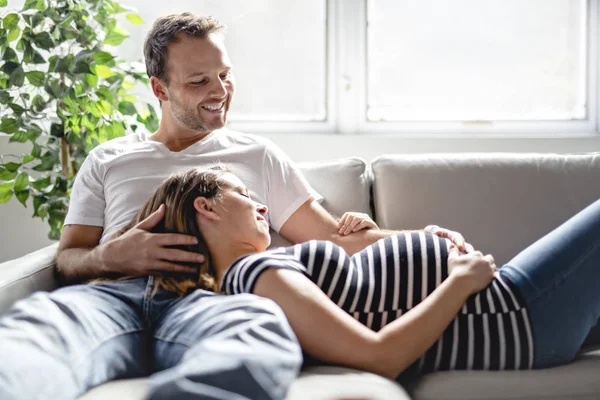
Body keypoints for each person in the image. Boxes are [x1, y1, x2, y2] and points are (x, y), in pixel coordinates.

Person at [0, 12, 468, 400]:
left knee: (255, 345)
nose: (220, 91)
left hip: (212, 299)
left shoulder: (257, 155)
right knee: (31, 342)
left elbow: (330, 238)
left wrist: (428, 238)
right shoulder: (109, 158)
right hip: (111, 296)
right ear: (160, 89)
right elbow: (67, 258)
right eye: (200, 80)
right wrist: (111, 256)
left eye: (225, 75)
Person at [124, 164, 600, 379]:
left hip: (508, 305)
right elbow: (378, 357)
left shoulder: (252, 275)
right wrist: (460, 281)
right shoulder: (252, 276)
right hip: (514, 315)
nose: (260, 204)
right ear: (205, 207)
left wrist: (422, 244)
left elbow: (372, 292)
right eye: (244, 196)